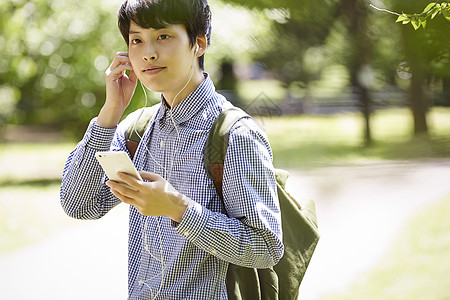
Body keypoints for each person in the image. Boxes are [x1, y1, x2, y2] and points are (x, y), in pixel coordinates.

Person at [60, 0, 283, 298]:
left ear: (199, 43)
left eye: (163, 36)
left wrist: (177, 208)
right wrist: (110, 112)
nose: (149, 52)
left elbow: (266, 247)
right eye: (137, 40)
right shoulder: (135, 129)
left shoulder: (234, 134)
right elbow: (79, 205)